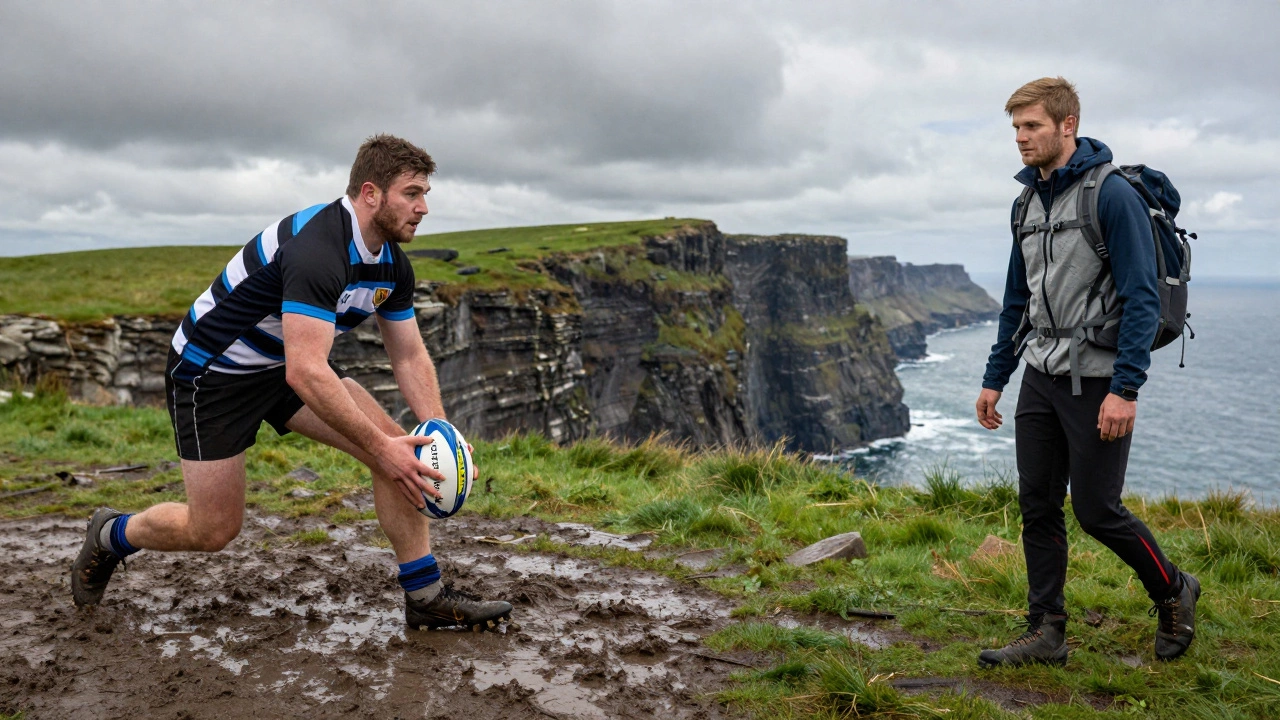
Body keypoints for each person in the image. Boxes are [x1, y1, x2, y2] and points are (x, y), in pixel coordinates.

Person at [70, 134, 513, 632]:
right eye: (412, 193)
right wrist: (382, 447)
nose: (424, 207)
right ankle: (111, 534)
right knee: (214, 529)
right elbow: (305, 371)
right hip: (212, 373)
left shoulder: (392, 263)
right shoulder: (316, 250)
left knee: (403, 452)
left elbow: (409, 356)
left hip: (284, 363)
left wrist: (442, 435)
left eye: (425, 194)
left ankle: (425, 595)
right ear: (371, 194)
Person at [975, 78, 1198, 667]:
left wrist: (1125, 389)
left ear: (1066, 125)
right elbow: (1015, 299)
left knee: (1097, 510)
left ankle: (1174, 589)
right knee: (1037, 505)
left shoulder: (1112, 195)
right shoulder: (1026, 203)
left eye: (1032, 127)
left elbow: (1142, 296)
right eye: (1016, 128)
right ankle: (1046, 630)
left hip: (1098, 379)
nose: (1021, 139)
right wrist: (995, 376)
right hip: (1041, 375)